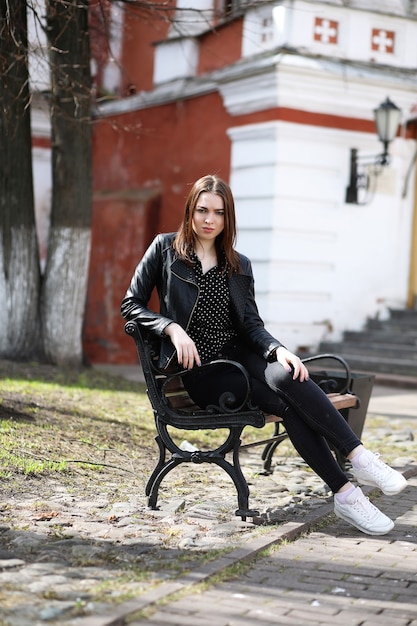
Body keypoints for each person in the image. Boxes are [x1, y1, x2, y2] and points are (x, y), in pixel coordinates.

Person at [121, 174, 408, 536]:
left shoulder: (238, 264)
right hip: (202, 372)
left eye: (219, 213)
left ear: (229, 219)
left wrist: (279, 350)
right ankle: (347, 492)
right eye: (202, 210)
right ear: (190, 211)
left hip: (240, 355)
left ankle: (358, 463)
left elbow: (251, 325)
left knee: (289, 376)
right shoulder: (165, 249)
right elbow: (130, 304)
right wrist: (171, 328)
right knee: (290, 405)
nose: (210, 220)